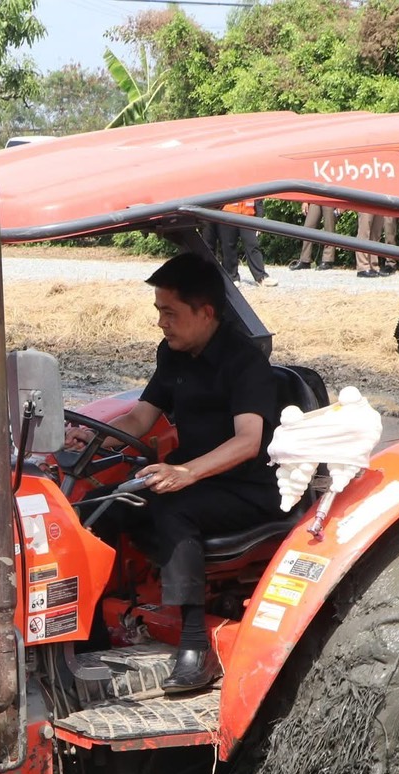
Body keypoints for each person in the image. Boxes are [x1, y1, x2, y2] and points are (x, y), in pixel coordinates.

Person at [66, 253, 280, 693]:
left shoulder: (245, 363)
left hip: (248, 487)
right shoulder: (174, 353)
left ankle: (196, 647)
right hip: (195, 478)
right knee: (101, 507)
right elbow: (141, 419)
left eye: (170, 313)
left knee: (173, 511)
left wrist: (186, 471)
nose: (161, 323)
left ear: (205, 313)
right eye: (158, 312)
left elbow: (248, 441)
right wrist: (88, 439)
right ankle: (88, 629)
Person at [216, 200, 278, 286]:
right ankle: (232, 278)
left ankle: (261, 277)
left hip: (248, 216)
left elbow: (258, 198)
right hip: (228, 214)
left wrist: (259, 220)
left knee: (252, 245)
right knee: (228, 247)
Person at [291, 201, 338, 270]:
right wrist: (305, 201)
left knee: (329, 228)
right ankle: (305, 260)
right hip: (316, 197)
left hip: (330, 197)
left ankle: (328, 260)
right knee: (308, 227)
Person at [355, 211, 398, 277]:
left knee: (376, 233)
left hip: (379, 203)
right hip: (366, 203)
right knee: (364, 232)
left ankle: (373, 265)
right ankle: (363, 266)